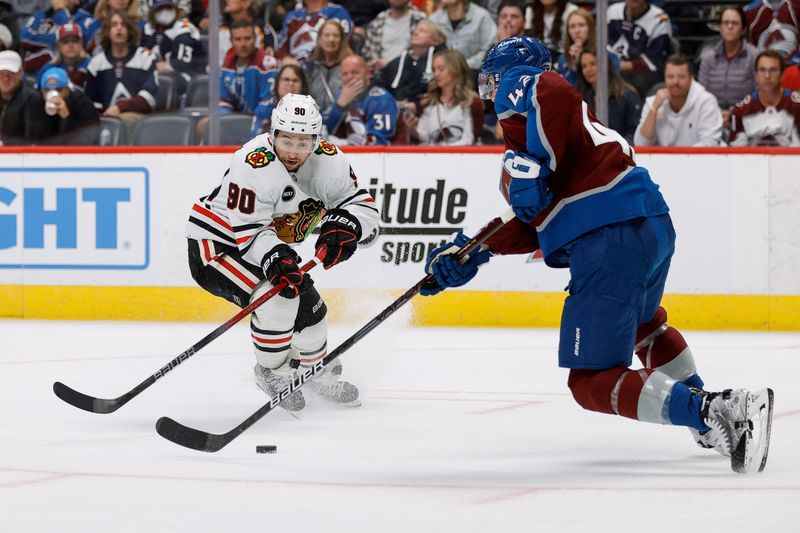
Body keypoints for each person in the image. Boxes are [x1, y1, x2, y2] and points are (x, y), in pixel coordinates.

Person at [420, 36, 774, 474]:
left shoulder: (541, 101)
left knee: (589, 380)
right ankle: (705, 415)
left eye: (494, 83)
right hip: (649, 225)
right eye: (488, 85)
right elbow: (537, 217)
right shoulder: (555, 139)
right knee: (645, 325)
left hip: (608, 237)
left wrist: (523, 90)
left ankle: (715, 410)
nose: (492, 96)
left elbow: (547, 88)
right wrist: (474, 249)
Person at [185, 92, 378, 413]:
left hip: (269, 248)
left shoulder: (331, 162)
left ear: (317, 140)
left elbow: (363, 207)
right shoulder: (252, 162)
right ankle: (272, 370)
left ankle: (315, 373)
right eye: (286, 140)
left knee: (313, 313)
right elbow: (248, 232)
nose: (293, 151)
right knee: (278, 298)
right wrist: (276, 256)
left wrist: (349, 225)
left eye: (303, 143)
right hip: (217, 245)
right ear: (272, 133)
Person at [198, 19, 276, 141]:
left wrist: (244, 124)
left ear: (255, 39)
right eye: (238, 39)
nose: (243, 44)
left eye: (247, 38)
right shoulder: (228, 63)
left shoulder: (267, 63)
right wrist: (229, 121)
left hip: (262, 123)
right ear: (231, 41)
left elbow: (267, 104)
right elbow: (223, 100)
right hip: (237, 120)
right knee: (204, 124)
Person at [85, 10, 158, 135]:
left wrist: (119, 107)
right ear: (107, 32)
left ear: (130, 30)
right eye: (114, 25)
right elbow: (92, 102)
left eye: (123, 25)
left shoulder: (145, 57)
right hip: (107, 121)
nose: (119, 28)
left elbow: (149, 97)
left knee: (122, 122)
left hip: (140, 120)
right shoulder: (96, 63)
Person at [634, 54, 723, 147]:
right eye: (670, 77)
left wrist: (681, 159)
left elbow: (709, 143)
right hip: (662, 160)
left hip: (696, 160)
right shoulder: (653, 102)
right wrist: (654, 109)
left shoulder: (706, 102)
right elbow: (641, 145)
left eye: (681, 77)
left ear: (691, 78)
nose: (675, 82)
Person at [407, 49, 483, 145]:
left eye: (441, 69)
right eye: (434, 70)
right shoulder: (428, 103)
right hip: (433, 157)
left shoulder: (472, 103)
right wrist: (412, 130)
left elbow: (469, 140)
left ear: (456, 70)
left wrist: (444, 151)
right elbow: (424, 138)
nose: (436, 74)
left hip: (462, 157)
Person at [698, 6, 758, 123]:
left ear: (743, 29)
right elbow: (702, 94)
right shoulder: (708, 58)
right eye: (726, 23)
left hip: (747, 117)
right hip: (712, 117)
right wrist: (718, 113)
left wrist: (733, 112)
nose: (729, 27)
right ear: (720, 28)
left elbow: (759, 93)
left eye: (735, 23)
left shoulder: (754, 56)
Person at [729, 49, 800, 146]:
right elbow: (735, 154)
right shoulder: (741, 110)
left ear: (783, 75)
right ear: (756, 75)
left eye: (773, 70)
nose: (767, 76)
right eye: (762, 70)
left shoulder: (797, 106)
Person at [323, 53, 398, 145]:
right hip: (344, 154)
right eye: (344, 74)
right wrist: (339, 107)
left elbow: (379, 141)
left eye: (354, 72)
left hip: (373, 157)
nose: (349, 78)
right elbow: (325, 131)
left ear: (368, 74)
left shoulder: (380, 98)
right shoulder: (340, 96)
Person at [140, 0, 207, 95]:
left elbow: (181, 64)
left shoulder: (185, 27)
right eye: (160, 9)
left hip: (190, 77)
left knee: (163, 81)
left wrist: (159, 66)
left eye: (168, 8)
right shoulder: (148, 28)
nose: (164, 12)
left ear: (175, 9)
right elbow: (140, 58)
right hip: (158, 74)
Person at [608, 0, 672, 98]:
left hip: (641, 73)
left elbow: (654, 60)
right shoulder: (612, 11)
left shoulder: (659, 18)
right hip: (610, 65)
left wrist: (616, 66)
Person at [574, 48, 640, 144]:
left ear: (605, 65)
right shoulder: (581, 97)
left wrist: (614, 149)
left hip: (620, 153)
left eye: (593, 64)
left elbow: (634, 133)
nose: (588, 69)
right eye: (584, 66)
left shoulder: (627, 95)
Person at [379, 18, 447, 107]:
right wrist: (392, 103)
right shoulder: (398, 62)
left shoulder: (443, 62)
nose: (415, 33)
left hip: (429, 110)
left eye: (423, 31)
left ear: (437, 40)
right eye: (415, 30)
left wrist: (417, 106)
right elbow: (380, 86)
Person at [275, 0, 353, 63]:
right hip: (295, 68)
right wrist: (286, 59)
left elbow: (342, 45)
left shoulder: (337, 12)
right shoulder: (292, 16)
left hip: (322, 65)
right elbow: (281, 48)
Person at [39, 65, 100, 144]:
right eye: (47, 90)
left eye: (58, 90)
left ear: (67, 90)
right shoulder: (38, 104)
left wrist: (66, 118)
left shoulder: (83, 105)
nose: (54, 94)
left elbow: (89, 141)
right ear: (42, 92)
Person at [430, 0, 496, 71]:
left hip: (473, 74)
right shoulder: (435, 19)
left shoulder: (481, 17)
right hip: (442, 74)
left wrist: (464, 65)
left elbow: (490, 49)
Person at [304, 19, 351, 115]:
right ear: (319, 39)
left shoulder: (350, 68)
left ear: (342, 40)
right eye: (327, 35)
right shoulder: (311, 67)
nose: (331, 39)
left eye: (336, 36)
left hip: (340, 121)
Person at [363, 0, 426, 72]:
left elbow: (422, 51)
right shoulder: (378, 22)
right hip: (381, 74)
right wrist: (376, 63)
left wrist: (390, 64)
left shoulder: (420, 19)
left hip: (409, 72)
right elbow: (368, 53)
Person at [0, 49, 47, 145]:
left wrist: (4, 143)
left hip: (20, 157)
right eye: (1, 73)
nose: (5, 78)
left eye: (10, 73)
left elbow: (33, 140)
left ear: (20, 73)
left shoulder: (32, 99)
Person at [251, 62, 309, 136]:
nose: (291, 84)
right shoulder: (264, 109)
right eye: (286, 79)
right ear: (277, 83)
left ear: (302, 86)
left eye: (295, 80)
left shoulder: (311, 110)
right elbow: (254, 137)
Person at [35, 22, 92, 90]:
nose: (71, 45)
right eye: (65, 42)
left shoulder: (91, 66)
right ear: (58, 46)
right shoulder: (49, 68)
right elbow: (38, 94)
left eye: (75, 41)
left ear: (81, 43)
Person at [554, 7, 593, 86]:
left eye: (581, 25)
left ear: (590, 28)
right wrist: (574, 65)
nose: (577, 31)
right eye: (572, 26)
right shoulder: (563, 58)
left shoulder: (606, 55)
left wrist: (581, 62)